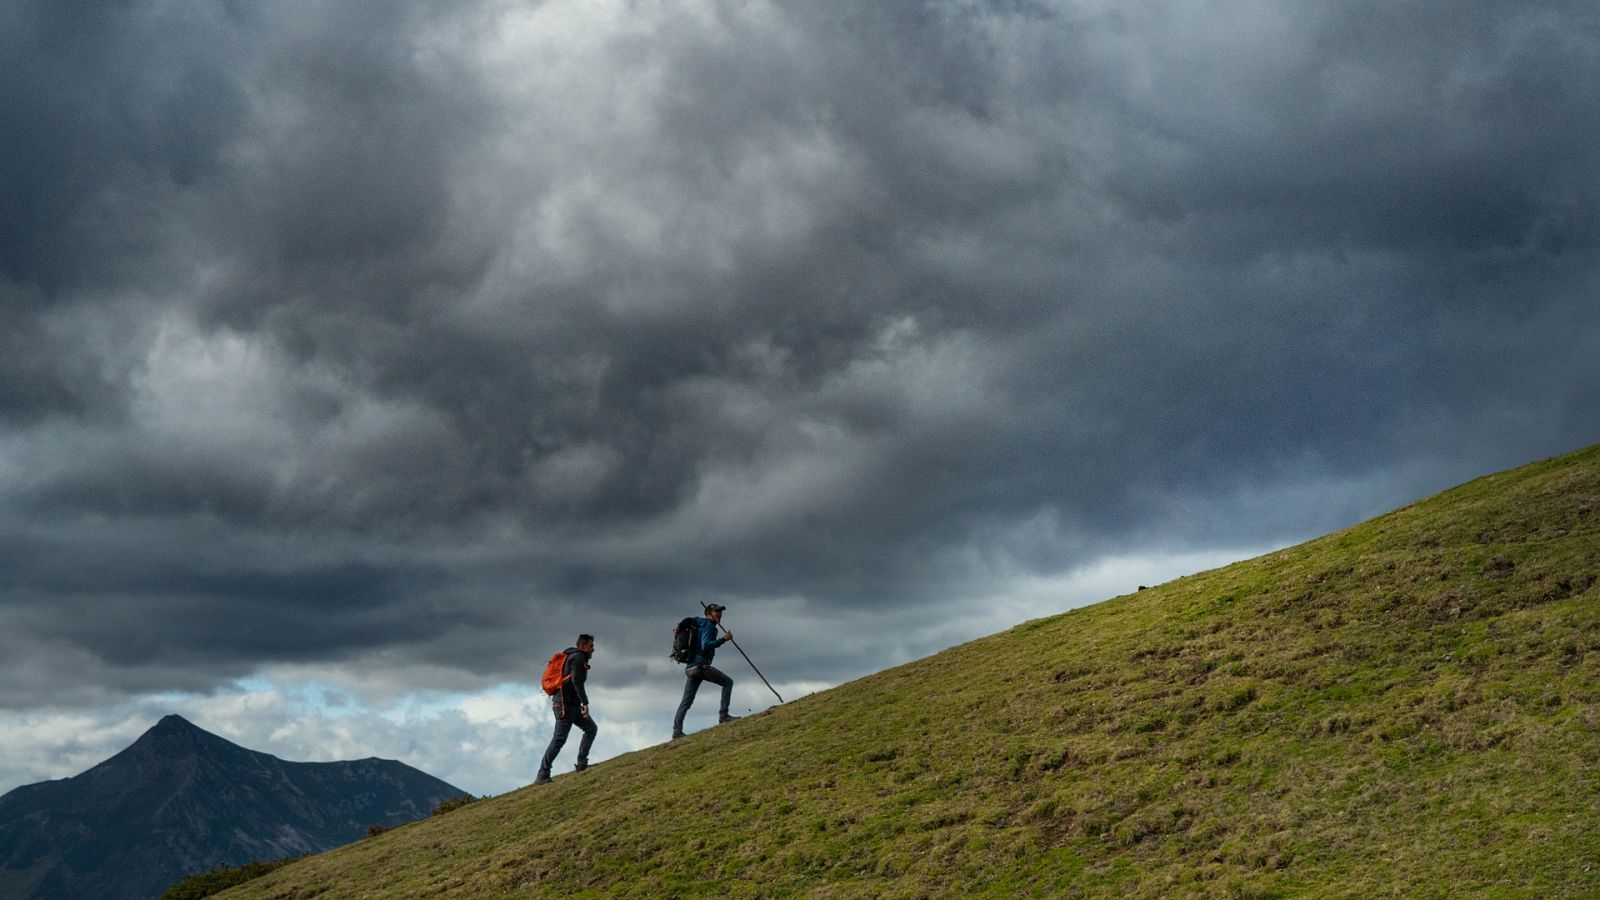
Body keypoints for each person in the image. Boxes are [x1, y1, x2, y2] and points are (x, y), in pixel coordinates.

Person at [535, 634, 597, 785]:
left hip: (570, 704)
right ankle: (542, 775)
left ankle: (582, 764)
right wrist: (585, 703)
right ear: (582, 646)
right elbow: (577, 681)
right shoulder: (578, 658)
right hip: (564, 704)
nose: (593, 650)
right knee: (559, 739)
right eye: (590, 646)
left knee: (591, 728)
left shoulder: (574, 656)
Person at [672, 604, 738, 738]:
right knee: (728, 682)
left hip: (690, 668)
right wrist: (723, 640)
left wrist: (680, 625)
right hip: (701, 666)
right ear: (709, 613)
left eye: (720, 611)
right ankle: (723, 716)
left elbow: (691, 619)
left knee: (686, 701)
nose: (719, 614)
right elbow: (706, 645)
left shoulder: (699, 622)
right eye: (716, 611)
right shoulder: (708, 625)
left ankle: (676, 731)